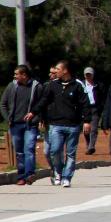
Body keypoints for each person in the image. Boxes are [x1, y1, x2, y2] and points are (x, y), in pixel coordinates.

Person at [35, 60, 92, 188]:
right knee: (55, 151)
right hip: (56, 124)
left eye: (58, 69)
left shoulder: (78, 85)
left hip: (73, 125)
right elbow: (44, 101)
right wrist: (35, 113)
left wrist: (87, 121)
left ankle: (67, 177)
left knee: (70, 153)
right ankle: (58, 172)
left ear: (65, 70)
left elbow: (85, 104)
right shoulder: (52, 85)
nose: (55, 71)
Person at [0, 65, 42, 186]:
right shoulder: (12, 86)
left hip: (30, 125)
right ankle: (21, 176)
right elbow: (3, 104)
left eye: (16, 74)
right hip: (15, 125)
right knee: (19, 152)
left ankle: (30, 174)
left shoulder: (36, 87)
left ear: (24, 75)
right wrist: (7, 118)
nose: (15, 76)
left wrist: (37, 118)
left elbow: (42, 105)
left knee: (29, 148)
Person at [81, 67, 105, 155]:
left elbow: (102, 98)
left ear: (93, 75)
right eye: (86, 74)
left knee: (94, 128)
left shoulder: (98, 85)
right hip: (84, 108)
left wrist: (100, 108)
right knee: (86, 129)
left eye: (89, 74)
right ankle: (88, 143)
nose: (88, 76)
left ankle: (91, 146)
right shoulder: (81, 85)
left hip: (95, 108)